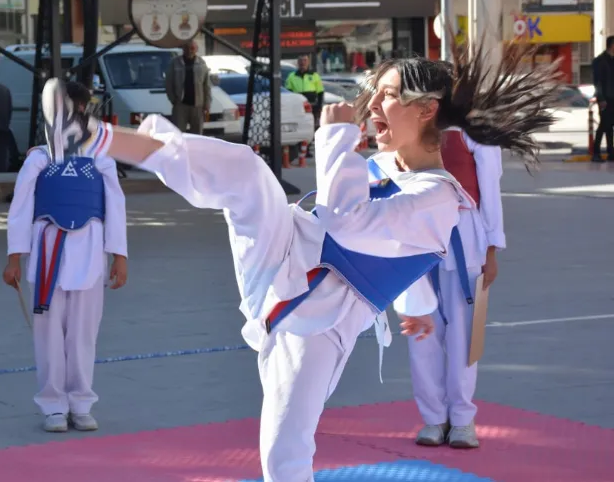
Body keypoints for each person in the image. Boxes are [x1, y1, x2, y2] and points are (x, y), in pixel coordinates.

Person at [38, 42, 559, 482]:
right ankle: (91, 137)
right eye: (373, 93)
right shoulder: (379, 165)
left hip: (316, 323)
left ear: (427, 109)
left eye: (389, 95)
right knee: (244, 169)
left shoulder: (439, 197)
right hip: (283, 250)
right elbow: (373, 237)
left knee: (286, 455)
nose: (372, 104)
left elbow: (355, 225)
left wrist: (334, 141)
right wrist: (417, 303)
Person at [3, 81, 128, 433]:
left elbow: (115, 207)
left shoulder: (100, 159)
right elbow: (20, 209)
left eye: (80, 110)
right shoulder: (39, 159)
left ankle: (81, 401)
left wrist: (120, 255)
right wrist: (15, 257)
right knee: (48, 336)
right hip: (47, 253)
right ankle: (53, 405)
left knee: (83, 334)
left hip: (89, 251)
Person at [408, 127, 505, 448]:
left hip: (465, 241)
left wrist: (491, 250)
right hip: (418, 240)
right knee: (421, 334)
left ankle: (462, 418)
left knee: (463, 337)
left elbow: (490, 191)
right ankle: (433, 417)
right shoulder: (411, 124)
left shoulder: (476, 130)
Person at [165, 40, 212, 134]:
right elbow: (169, 83)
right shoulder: (175, 63)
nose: (189, 51)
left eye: (192, 48)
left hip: (197, 106)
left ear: (196, 50)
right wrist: (173, 100)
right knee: (178, 133)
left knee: (197, 134)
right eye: (187, 48)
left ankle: (196, 149)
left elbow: (206, 86)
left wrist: (207, 104)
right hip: (181, 105)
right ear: (183, 49)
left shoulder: (202, 63)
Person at [286, 55, 326, 157]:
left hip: (312, 106)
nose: (302, 63)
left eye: (305, 60)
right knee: (298, 126)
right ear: (297, 62)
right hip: (297, 106)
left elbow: (320, 92)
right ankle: (298, 148)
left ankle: (306, 149)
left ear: (308, 62)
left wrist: (319, 106)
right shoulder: (292, 76)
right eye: (300, 60)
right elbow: (288, 91)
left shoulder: (314, 75)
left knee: (311, 128)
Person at [591, 36, 614, 161]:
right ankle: (596, 152)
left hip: (613, 98)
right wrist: (601, 98)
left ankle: (611, 152)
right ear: (611, 45)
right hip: (605, 98)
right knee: (604, 125)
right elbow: (597, 82)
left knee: (610, 126)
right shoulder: (600, 61)